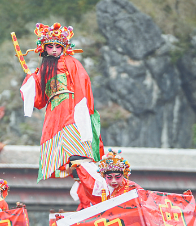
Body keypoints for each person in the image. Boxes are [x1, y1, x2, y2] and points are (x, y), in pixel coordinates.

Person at [20, 22, 100, 182]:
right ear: (44, 48)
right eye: (50, 46)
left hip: (71, 102)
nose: (54, 49)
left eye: (58, 46)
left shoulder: (70, 62)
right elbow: (39, 98)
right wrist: (31, 79)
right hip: (53, 107)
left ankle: (80, 161)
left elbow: (82, 80)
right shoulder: (43, 68)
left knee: (74, 128)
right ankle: (66, 165)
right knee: (55, 134)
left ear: (64, 47)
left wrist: (81, 104)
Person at [70, 149, 139, 209]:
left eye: (117, 177)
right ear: (104, 176)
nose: (113, 181)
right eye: (109, 177)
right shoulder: (101, 188)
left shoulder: (132, 187)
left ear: (124, 175)